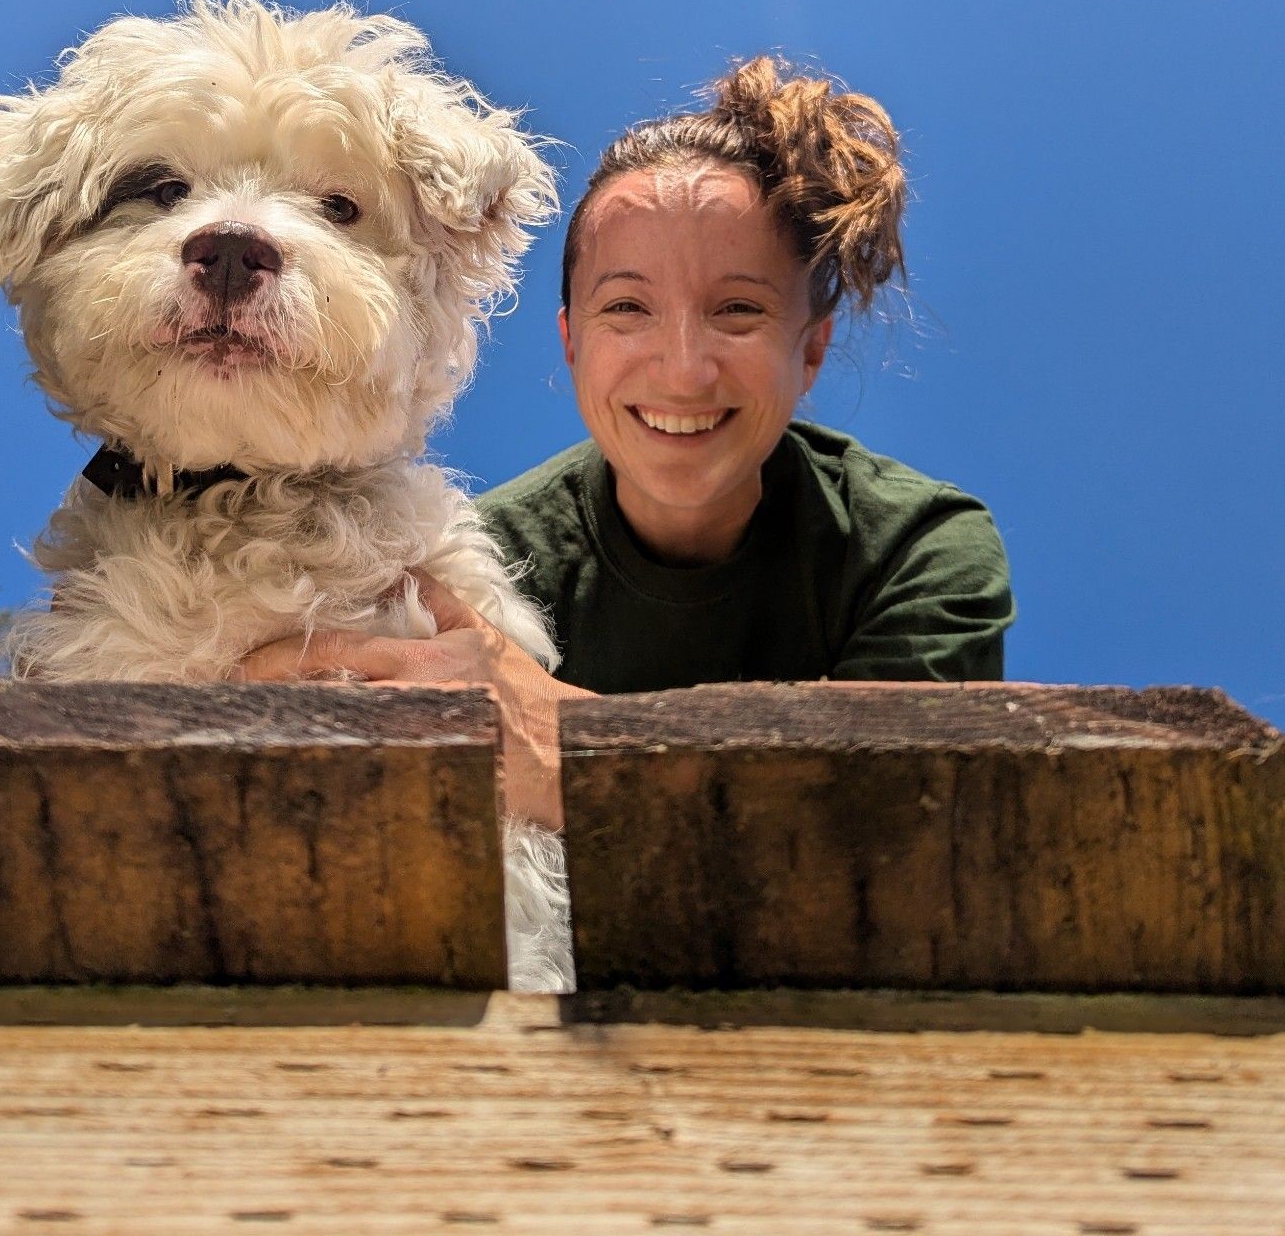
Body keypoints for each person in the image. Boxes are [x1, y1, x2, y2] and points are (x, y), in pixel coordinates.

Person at [240, 53, 1014, 828]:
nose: (682, 371)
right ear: (571, 343)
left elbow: (894, 831)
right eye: (626, 309)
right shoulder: (479, 558)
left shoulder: (915, 549)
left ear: (808, 350)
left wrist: (569, 738)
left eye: (738, 310)